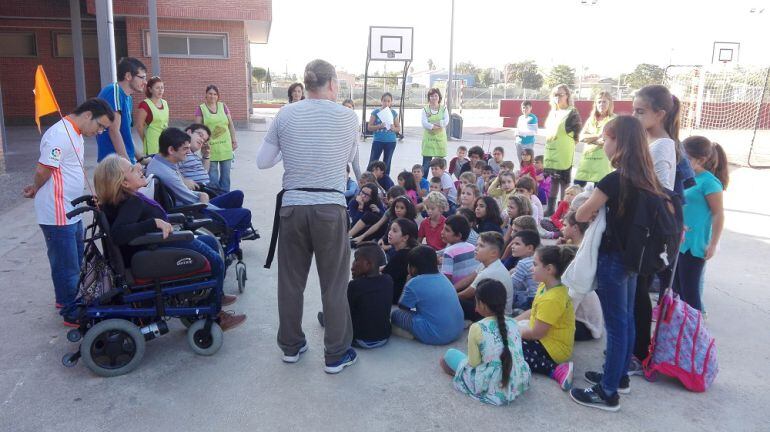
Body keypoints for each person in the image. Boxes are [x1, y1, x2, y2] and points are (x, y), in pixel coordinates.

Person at [257, 59, 359, 374]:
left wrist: (294, 153)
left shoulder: (285, 113)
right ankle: (336, 354)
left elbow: (263, 161)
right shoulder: (348, 117)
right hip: (331, 206)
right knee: (334, 284)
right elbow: (356, 166)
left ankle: (291, 346)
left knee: (290, 282)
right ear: (331, 85)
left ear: (307, 83)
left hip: (293, 207)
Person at [570, 115, 665, 411]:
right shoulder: (647, 178)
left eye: (607, 140)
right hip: (634, 259)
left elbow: (581, 215)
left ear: (618, 142)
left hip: (614, 259)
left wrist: (593, 206)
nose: (605, 146)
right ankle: (618, 376)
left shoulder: (614, 180)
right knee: (625, 321)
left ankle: (608, 391)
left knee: (617, 324)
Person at [93, 155, 246, 330]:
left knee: (209, 242)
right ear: (125, 183)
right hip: (154, 249)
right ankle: (215, 315)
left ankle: (214, 295)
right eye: (132, 169)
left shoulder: (123, 200)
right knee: (216, 261)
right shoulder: (130, 203)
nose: (139, 168)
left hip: (156, 245)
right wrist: (154, 223)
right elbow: (118, 234)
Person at [23, 98, 115, 325]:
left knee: (74, 258)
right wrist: (35, 187)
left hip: (71, 208)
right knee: (67, 263)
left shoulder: (76, 134)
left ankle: (65, 298)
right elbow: (44, 169)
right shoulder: (59, 135)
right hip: (57, 212)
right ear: (87, 116)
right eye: (100, 126)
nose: (100, 131)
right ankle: (70, 310)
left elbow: (71, 168)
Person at [629, 84, 681, 367]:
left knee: (638, 293)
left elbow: (656, 191)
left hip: (647, 232)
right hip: (638, 227)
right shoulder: (648, 141)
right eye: (634, 111)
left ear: (660, 113)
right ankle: (633, 348)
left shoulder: (662, 146)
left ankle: (638, 353)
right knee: (633, 292)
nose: (635, 116)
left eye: (641, 112)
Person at [146, 128, 253, 237]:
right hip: (193, 212)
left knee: (237, 195)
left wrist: (201, 194)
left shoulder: (162, 161)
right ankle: (230, 240)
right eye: (185, 149)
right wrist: (219, 210)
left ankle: (231, 227)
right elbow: (190, 199)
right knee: (245, 214)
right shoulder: (167, 173)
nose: (188, 152)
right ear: (171, 150)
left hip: (194, 202)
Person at [441, 279, 531, 406]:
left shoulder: (477, 327)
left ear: (482, 304)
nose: (475, 308)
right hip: (517, 377)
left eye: (476, 302)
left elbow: (473, 363)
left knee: (449, 356)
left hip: (491, 382)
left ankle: (460, 376)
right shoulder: (513, 323)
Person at [675, 136, 728, 311]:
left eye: (687, 159)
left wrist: (713, 244)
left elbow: (718, 214)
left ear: (701, 160)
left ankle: (697, 334)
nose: (682, 161)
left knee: (690, 293)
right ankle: (683, 330)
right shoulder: (683, 176)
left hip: (694, 244)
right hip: (678, 242)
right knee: (677, 291)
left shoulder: (710, 183)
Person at [516, 245, 576, 391]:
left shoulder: (553, 298)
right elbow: (533, 311)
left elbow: (536, 334)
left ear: (549, 269)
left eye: (535, 264)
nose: (531, 268)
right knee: (507, 336)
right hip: (545, 338)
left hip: (553, 349)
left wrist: (515, 330)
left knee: (510, 349)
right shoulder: (545, 285)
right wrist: (512, 321)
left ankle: (556, 370)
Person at [318, 242, 393, 349]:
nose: (352, 265)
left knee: (333, 313)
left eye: (356, 260)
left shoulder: (355, 286)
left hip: (361, 339)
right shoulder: (388, 280)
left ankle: (326, 320)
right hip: (384, 337)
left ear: (368, 264)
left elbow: (346, 314)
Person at [390, 246, 464, 345]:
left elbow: (403, 306)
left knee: (395, 314)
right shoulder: (443, 277)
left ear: (413, 268)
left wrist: (408, 282)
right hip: (457, 330)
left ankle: (412, 333)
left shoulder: (414, 283)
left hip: (435, 335)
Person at [96, 57, 146, 163]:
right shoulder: (114, 91)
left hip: (123, 161)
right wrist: (128, 165)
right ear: (128, 76)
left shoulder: (128, 97)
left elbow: (125, 133)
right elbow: (114, 130)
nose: (145, 82)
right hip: (114, 164)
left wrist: (141, 158)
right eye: (142, 77)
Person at [454, 232, 513, 319]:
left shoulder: (489, 272)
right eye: (476, 245)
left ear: (493, 253)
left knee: (455, 300)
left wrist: (448, 295)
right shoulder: (488, 263)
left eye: (481, 246)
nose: (476, 248)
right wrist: (452, 288)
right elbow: (469, 278)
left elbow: (465, 294)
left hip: (499, 317)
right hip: (490, 305)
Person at [543, 84, 582, 214]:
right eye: (555, 95)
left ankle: (562, 211)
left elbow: (577, 134)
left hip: (564, 153)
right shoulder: (553, 112)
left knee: (564, 184)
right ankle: (550, 209)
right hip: (551, 153)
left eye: (561, 94)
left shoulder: (572, 112)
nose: (558, 97)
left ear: (567, 96)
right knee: (553, 181)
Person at [194, 84, 238, 192]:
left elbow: (230, 124)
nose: (212, 96)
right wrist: (201, 143)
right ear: (206, 95)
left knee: (225, 178)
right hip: (210, 148)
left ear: (218, 96)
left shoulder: (223, 106)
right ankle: (215, 201)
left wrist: (234, 140)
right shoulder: (201, 109)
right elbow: (197, 128)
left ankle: (225, 200)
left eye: (215, 94)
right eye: (210, 93)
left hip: (225, 147)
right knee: (212, 179)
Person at [574, 92, 616, 186]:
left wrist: (590, 139)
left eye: (604, 102)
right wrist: (598, 135)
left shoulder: (614, 119)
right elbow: (581, 137)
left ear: (610, 103)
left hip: (602, 162)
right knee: (576, 187)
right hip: (587, 160)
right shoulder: (591, 119)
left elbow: (606, 141)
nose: (601, 104)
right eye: (599, 102)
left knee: (599, 189)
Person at [383, 218, 420, 304]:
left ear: (405, 238)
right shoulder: (411, 251)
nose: (390, 233)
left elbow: (385, 276)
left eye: (394, 231)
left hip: (396, 296)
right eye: (390, 229)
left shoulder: (401, 256)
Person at [440, 215, 479, 285]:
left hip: (456, 290)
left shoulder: (449, 252)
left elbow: (446, 278)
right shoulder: (473, 247)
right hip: (471, 286)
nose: (442, 232)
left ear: (458, 236)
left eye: (447, 230)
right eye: (443, 229)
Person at [368, 93, 401, 176]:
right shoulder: (376, 112)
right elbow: (369, 127)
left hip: (390, 142)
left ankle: (385, 181)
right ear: (381, 101)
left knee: (387, 162)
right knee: (373, 161)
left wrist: (393, 128)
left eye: (388, 101)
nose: (386, 103)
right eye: (384, 101)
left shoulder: (393, 113)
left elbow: (398, 128)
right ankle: (369, 179)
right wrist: (379, 126)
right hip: (378, 141)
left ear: (391, 102)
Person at [135, 76, 169, 158]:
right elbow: (139, 126)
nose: (161, 90)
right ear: (150, 89)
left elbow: (166, 123)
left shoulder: (165, 103)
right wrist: (145, 140)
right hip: (152, 143)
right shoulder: (145, 104)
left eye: (162, 88)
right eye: (157, 88)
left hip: (165, 141)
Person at [509, 230, 540, 311]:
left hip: (532, 299)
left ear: (530, 248)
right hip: (541, 295)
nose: (512, 246)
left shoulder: (523, 263)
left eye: (517, 244)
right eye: (512, 243)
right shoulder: (538, 259)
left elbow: (512, 284)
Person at [421, 88, 449, 177]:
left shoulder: (443, 108)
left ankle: (440, 184)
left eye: (436, 95)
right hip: (428, 141)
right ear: (429, 97)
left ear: (439, 97)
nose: (434, 97)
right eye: (432, 96)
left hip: (440, 141)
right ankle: (423, 184)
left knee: (440, 165)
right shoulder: (425, 109)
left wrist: (434, 124)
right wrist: (434, 126)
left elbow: (446, 121)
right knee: (425, 165)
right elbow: (424, 123)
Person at [178, 124, 212, 189]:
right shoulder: (179, 151)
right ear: (189, 132)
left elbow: (204, 172)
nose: (202, 140)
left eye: (204, 140)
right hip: (195, 191)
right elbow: (170, 168)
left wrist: (206, 155)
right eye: (200, 135)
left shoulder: (194, 156)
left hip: (206, 189)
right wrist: (183, 181)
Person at [341, 98, 362, 180]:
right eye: (345, 107)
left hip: (353, 146)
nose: (347, 109)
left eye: (349, 107)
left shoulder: (355, 118)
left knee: (356, 167)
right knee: (342, 168)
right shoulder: (340, 118)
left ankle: (362, 186)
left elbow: (357, 135)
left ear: (353, 108)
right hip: (342, 146)